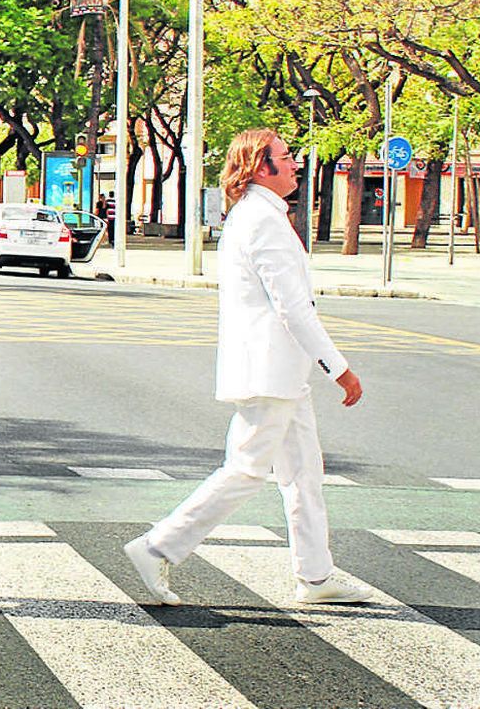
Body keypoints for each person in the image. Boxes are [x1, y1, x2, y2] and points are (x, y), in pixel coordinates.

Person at [124, 129, 370, 606]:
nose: (295, 162)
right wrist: (338, 368)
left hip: (282, 374)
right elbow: (293, 308)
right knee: (246, 469)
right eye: (285, 156)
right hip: (269, 373)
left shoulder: (259, 215)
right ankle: (157, 545)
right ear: (261, 167)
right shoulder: (263, 221)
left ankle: (316, 576)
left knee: (303, 475)